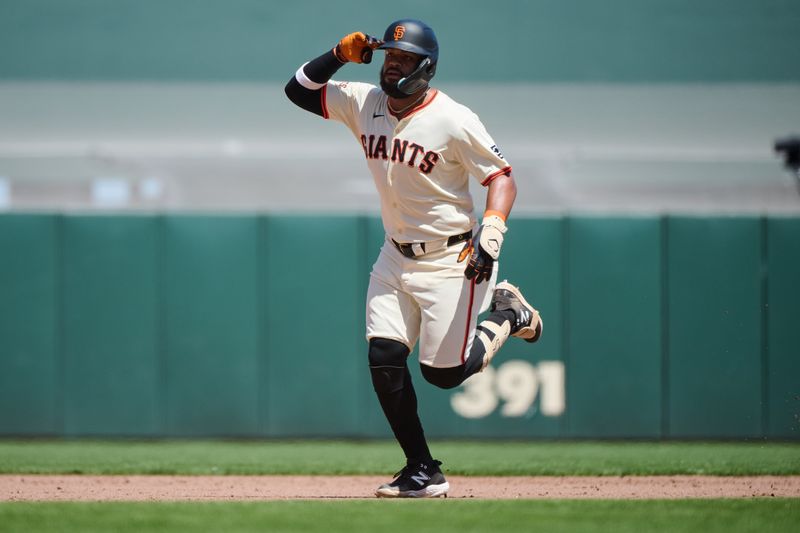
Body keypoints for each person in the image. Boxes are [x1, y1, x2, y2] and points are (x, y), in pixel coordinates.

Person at [285, 19, 542, 498]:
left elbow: (501, 176)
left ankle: (509, 315)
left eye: (403, 58)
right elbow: (297, 91)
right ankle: (422, 469)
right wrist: (337, 54)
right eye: (388, 56)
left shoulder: (454, 118)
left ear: (425, 67)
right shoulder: (365, 103)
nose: (392, 65)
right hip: (394, 254)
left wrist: (493, 229)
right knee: (383, 356)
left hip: (453, 257)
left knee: (442, 375)